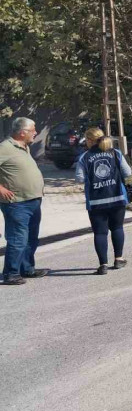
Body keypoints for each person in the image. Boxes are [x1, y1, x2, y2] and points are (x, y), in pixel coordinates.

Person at [75, 128, 132, 275]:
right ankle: (119, 259)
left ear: (89, 140)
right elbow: (128, 173)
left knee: (100, 233)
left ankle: (103, 265)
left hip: (96, 202)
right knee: (117, 228)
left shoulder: (84, 157)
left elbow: (79, 178)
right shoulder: (116, 153)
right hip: (118, 197)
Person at [0, 117, 46, 285]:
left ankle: (26, 269)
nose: (36, 132)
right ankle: (11, 274)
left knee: (31, 238)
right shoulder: (5, 148)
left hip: (33, 200)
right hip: (17, 203)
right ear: (22, 132)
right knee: (18, 239)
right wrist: (1, 188)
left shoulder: (23, 147)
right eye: (33, 130)